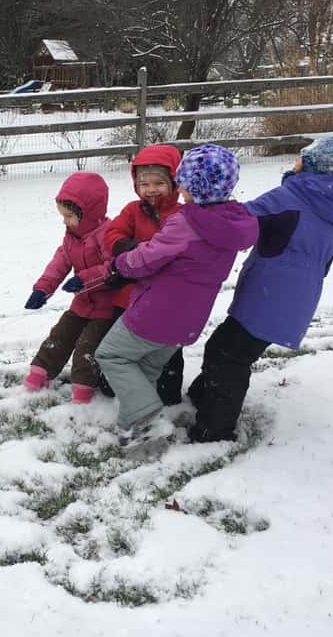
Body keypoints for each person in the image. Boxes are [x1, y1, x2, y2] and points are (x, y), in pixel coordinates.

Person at [186, 138, 333, 443]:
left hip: (266, 296)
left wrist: (205, 208)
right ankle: (202, 395)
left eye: (301, 159)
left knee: (229, 356)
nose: (295, 161)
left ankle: (214, 428)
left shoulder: (291, 196)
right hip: (296, 301)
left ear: (311, 166)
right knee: (229, 348)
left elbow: (241, 219)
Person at [95, 144, 259, 443]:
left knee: (111, 355)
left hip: (155, 314)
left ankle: (148, 419)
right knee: (147, 366)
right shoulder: (230, 222)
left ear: (193, 184)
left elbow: (147, 258)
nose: (179, 186)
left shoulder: (187, 222)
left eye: (182, 180)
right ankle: (131, 424)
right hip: (189, 320)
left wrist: (121, 263)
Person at [23, 172, 115, 403]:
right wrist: (42, 289)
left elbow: (113, 266)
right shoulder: (72, 236)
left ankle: (83, 390)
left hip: (106, 308)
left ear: (89, 214)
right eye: (62, 216)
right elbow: (60, 262)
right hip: (82, 303)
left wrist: (85, 278)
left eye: (70, 216)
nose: (65, 221)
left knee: (87, 347)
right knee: (60, 335)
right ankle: (39, 374)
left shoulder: (108, 235)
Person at [103, 144, 185, 403]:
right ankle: (116, 386)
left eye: (159, 183)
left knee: (167, 349)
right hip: (127, 297)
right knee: (119, 346)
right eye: (144, 184)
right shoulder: (132, 211)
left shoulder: (183, 215)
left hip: (166, 301)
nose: (150, 190)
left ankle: (167, 392)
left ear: (174, 182)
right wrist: (131, 249)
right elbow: (112, 234)